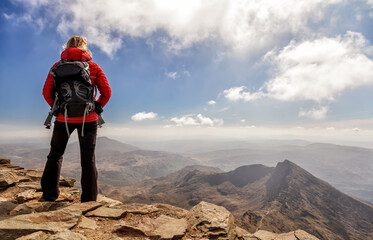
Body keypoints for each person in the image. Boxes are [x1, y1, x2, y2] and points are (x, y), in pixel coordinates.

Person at [41, 36, 111, 202]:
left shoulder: (56, 67)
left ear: (66, 48)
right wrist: (97, 106)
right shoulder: (93, 67)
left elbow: (46, 92)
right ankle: (89, 200)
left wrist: (58, 108)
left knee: (55, 155)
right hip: (89, 119)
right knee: (88, 159)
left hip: (63, 118)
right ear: (84, 48)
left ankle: (49, 195)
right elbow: (106, 92)